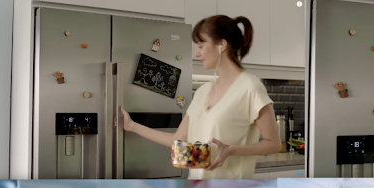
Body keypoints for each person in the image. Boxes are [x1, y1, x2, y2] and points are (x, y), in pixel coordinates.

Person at [119, 15, 281, 179]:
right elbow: (177, 139)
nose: (197, 53)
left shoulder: (250, 87)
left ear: (221, 45)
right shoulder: (203, 91)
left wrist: (231, 150)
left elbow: (273, 144)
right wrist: (132, 126)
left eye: (201, 45)